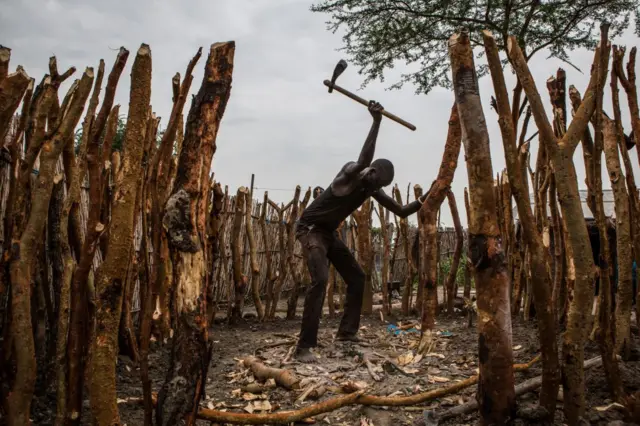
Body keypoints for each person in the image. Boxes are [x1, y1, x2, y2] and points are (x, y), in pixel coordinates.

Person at [294, 100, 429, 362]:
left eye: (376, 180)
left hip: (329, 233)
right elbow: (363, 157)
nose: (370, 176)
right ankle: (304, 346)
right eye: (371, 172)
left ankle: (346, 333)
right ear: (370, 168)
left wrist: (425, 199)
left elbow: (400, 211)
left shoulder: (370, 189)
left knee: (357, 277)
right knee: (320, 280)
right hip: (310, 230)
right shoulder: (349, 172)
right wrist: (376, 122)